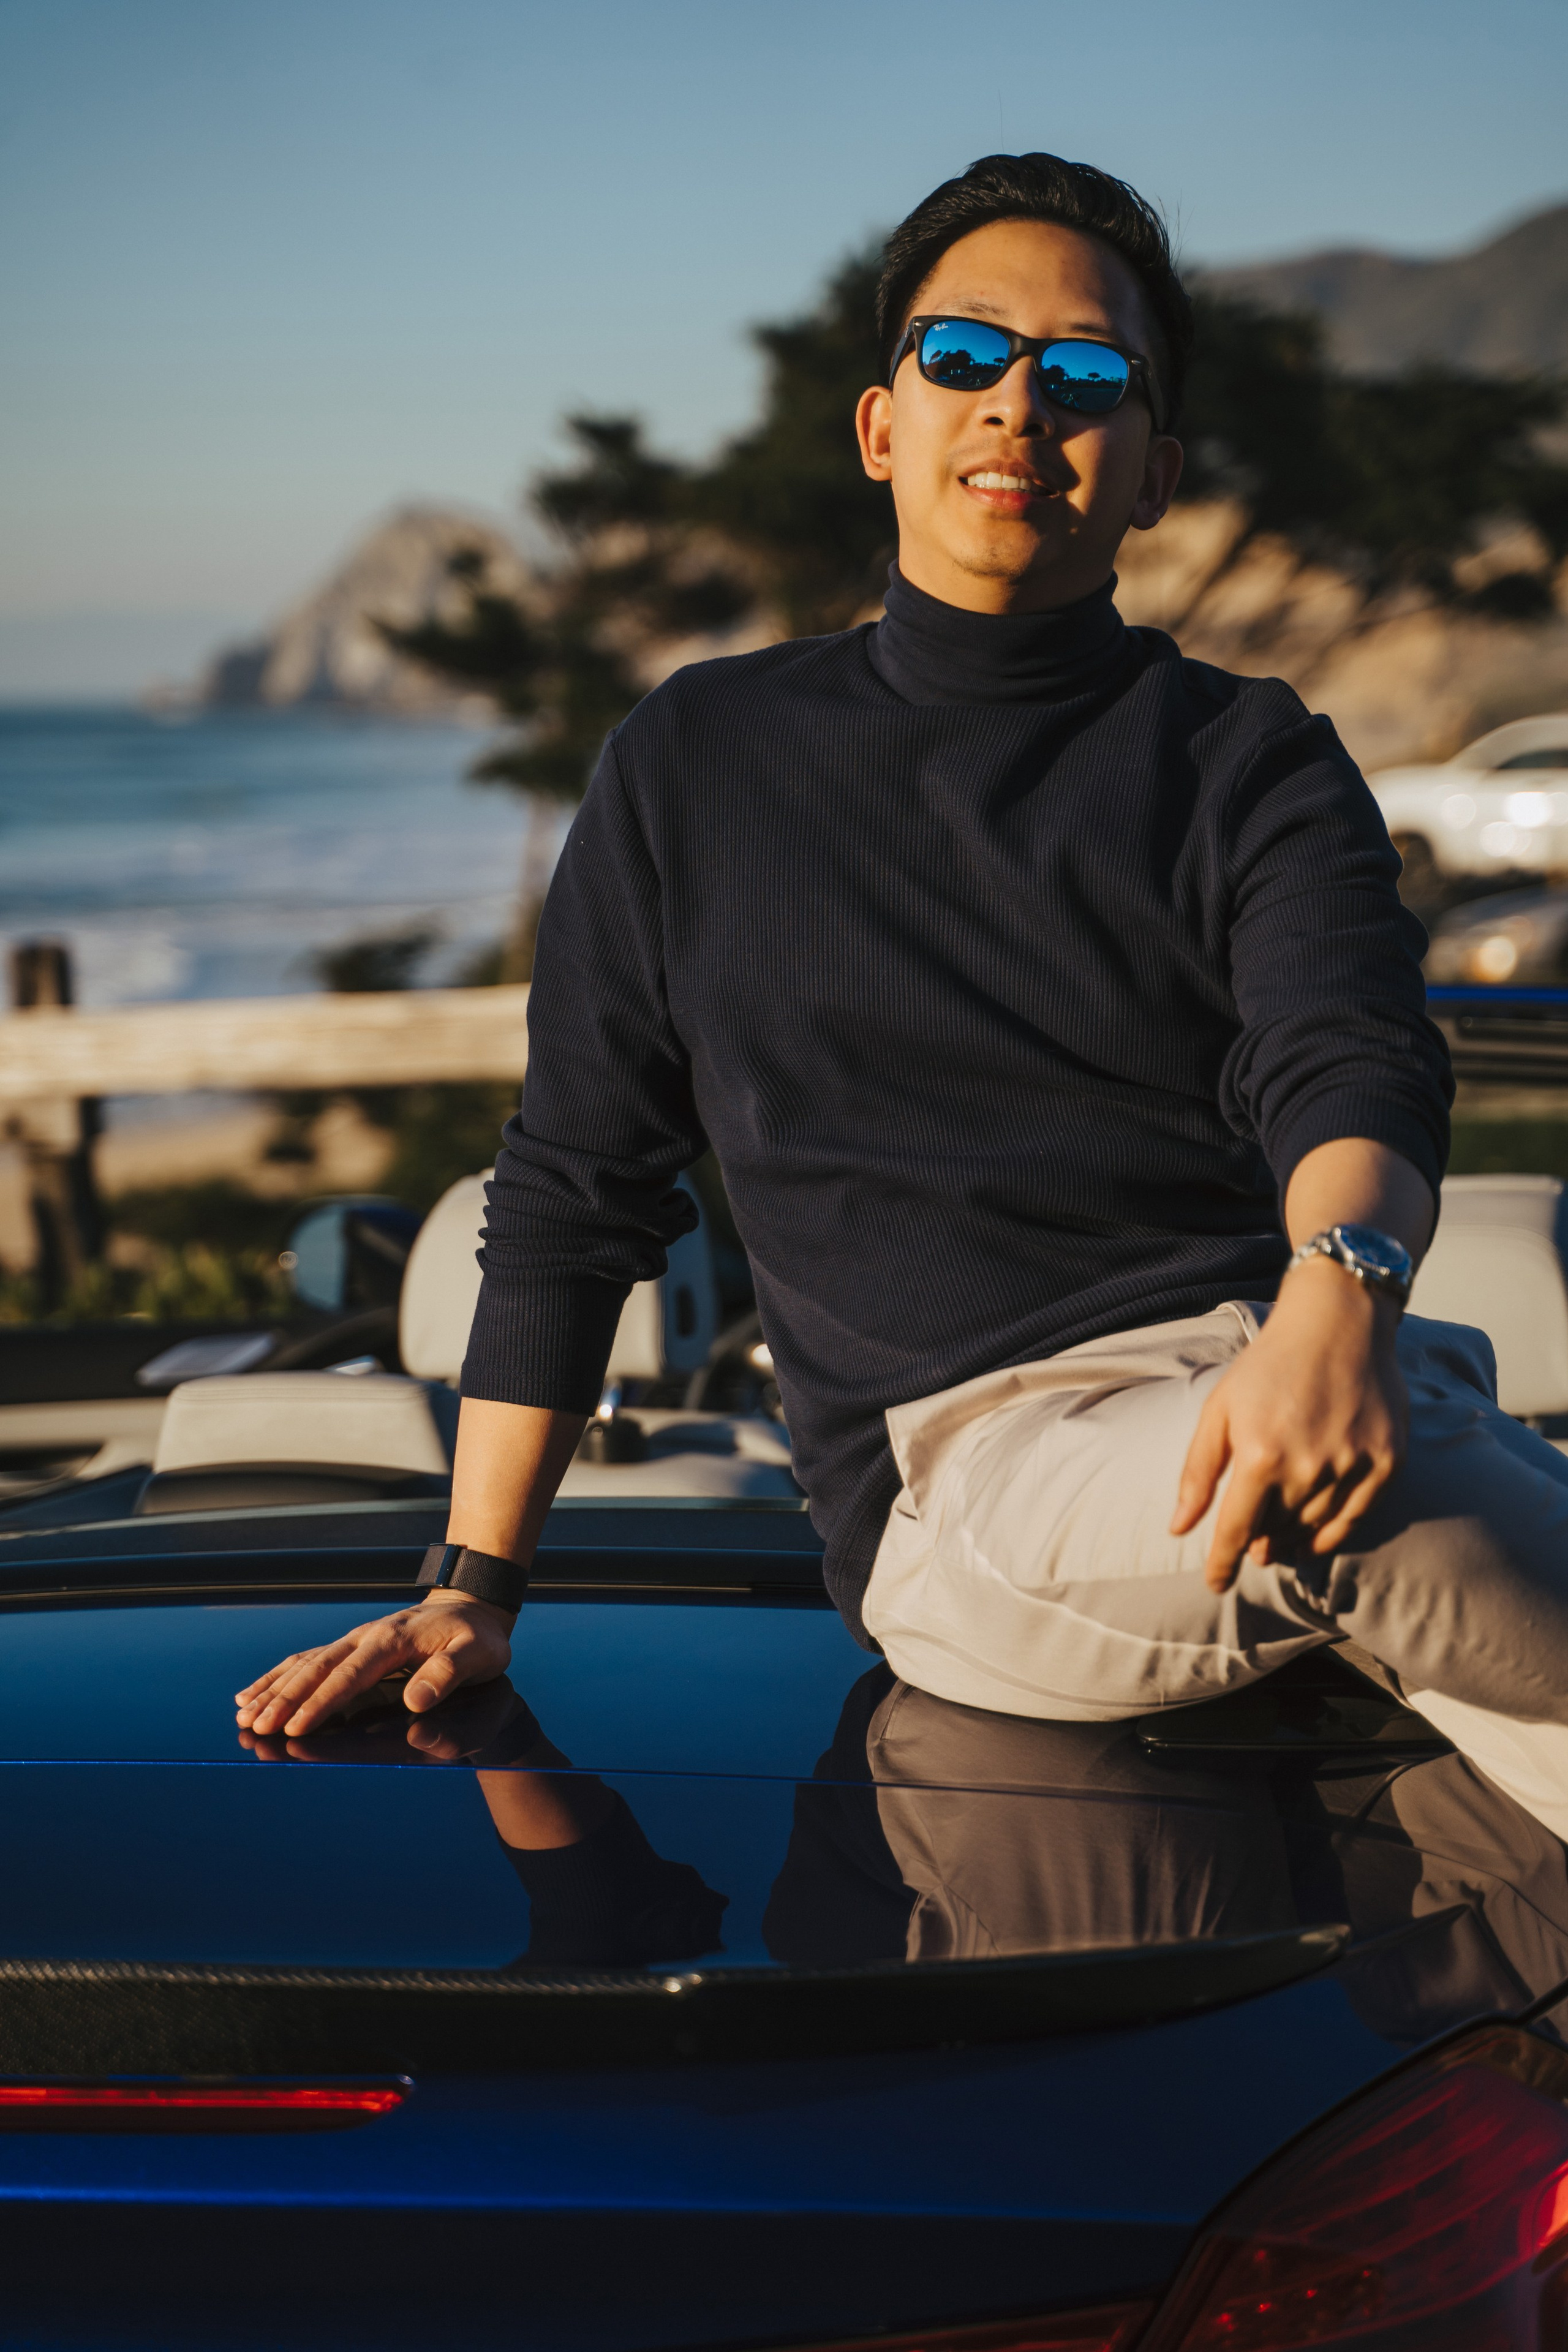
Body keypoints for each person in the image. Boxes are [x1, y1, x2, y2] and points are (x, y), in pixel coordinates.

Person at [237, 152, 1568, 1836]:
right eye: (966, 357)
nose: (1022, 401)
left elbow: (1351, 1054)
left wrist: (1341, 1291)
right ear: (882, 426)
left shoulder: (1252, 754)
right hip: (975, 1476)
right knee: (1364, 1505)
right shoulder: (696, 764)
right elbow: (578, 1184)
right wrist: (468, 1580)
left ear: (1152, 472)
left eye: (1086, 375)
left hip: (1308, 1367)